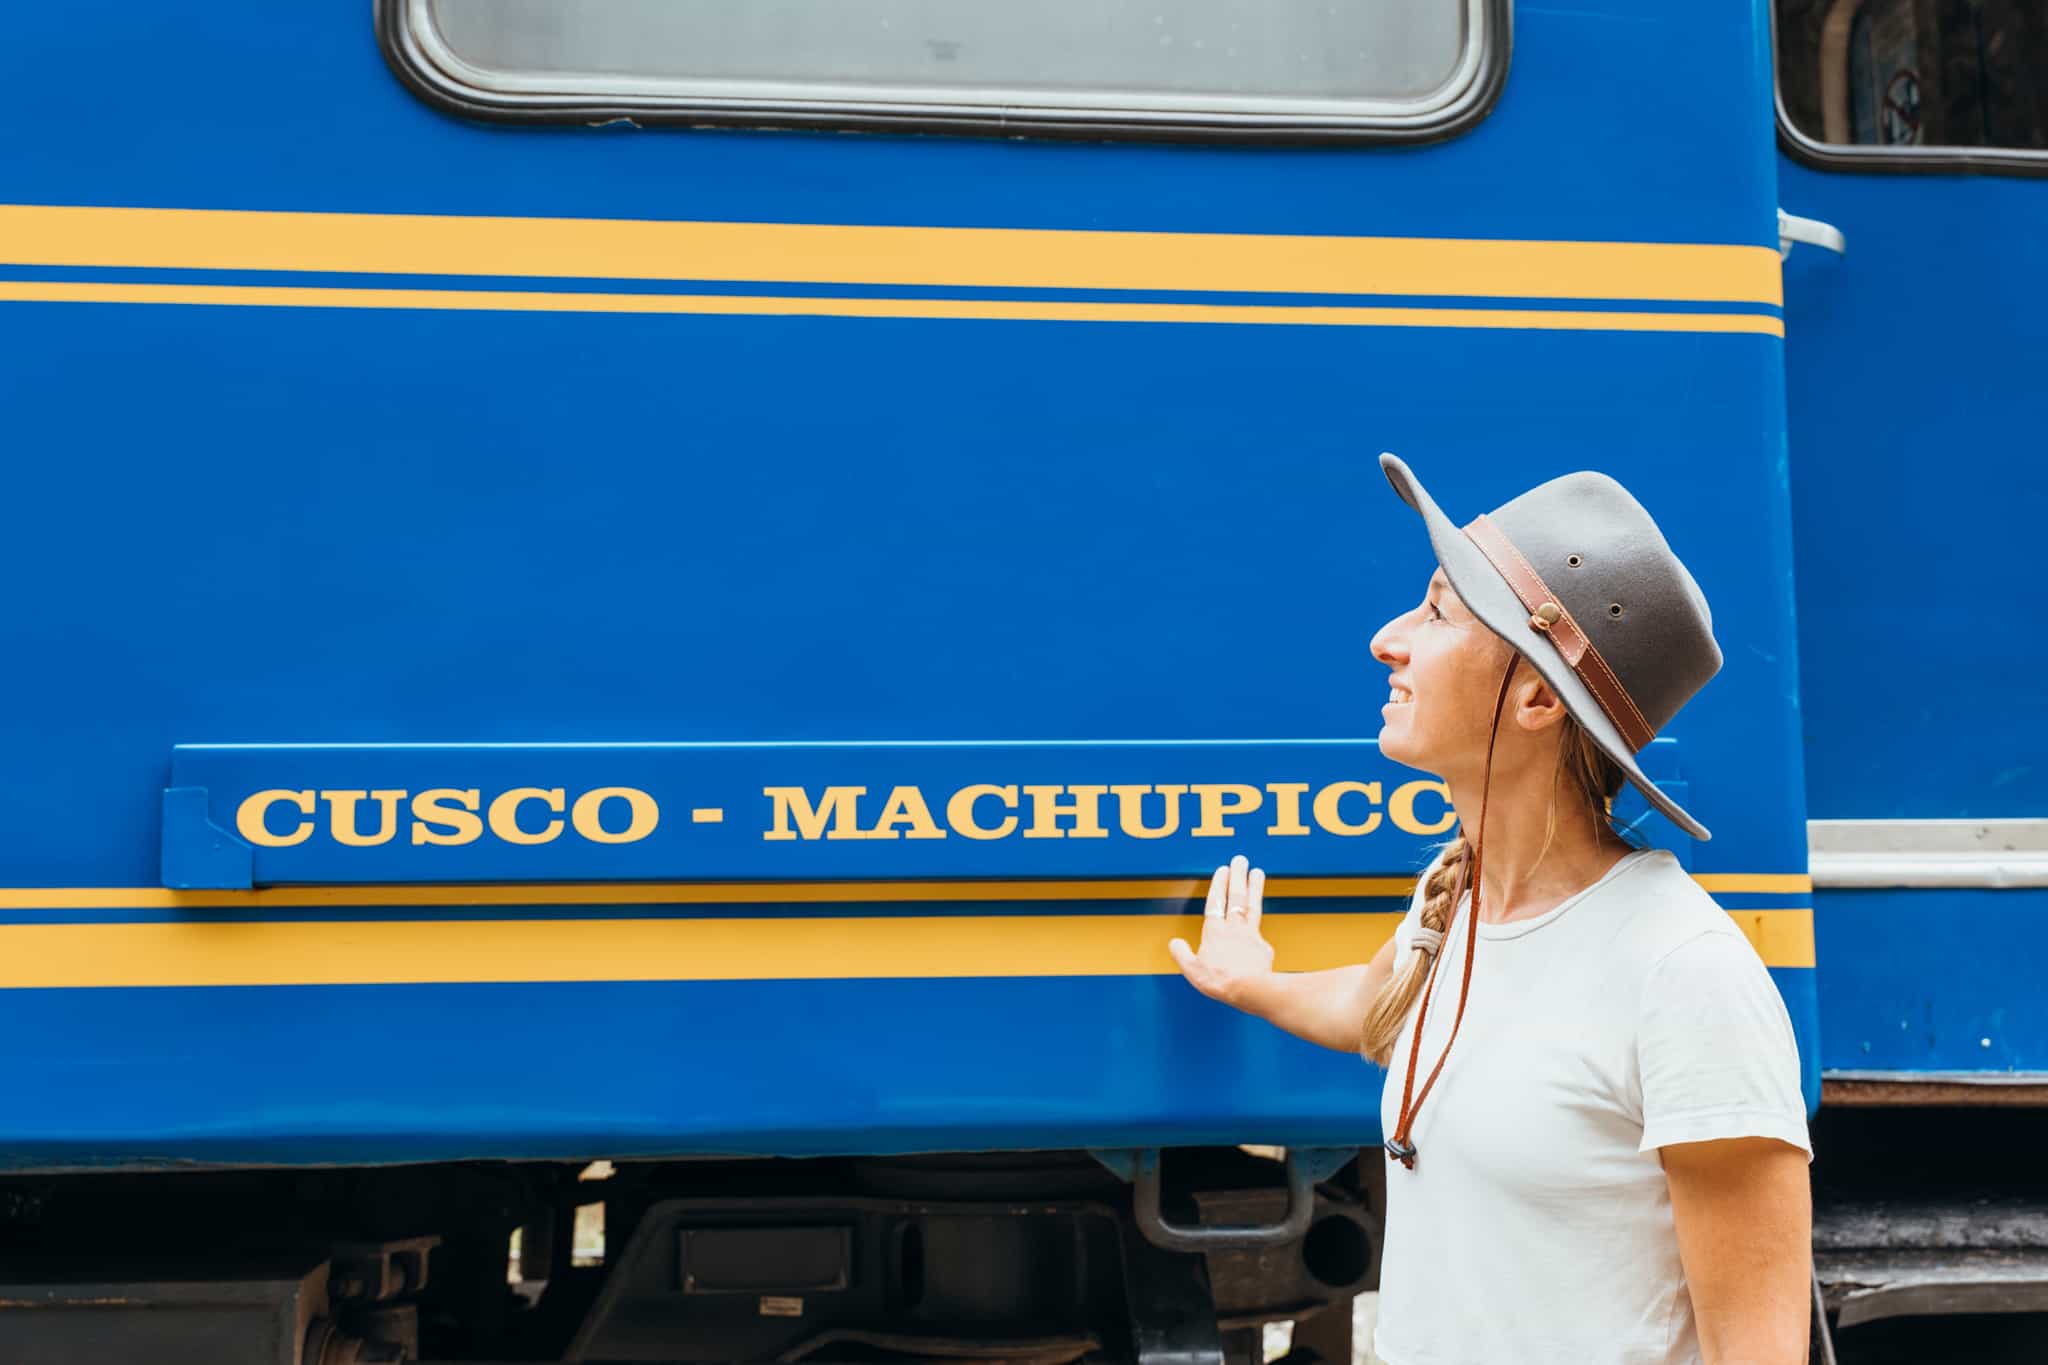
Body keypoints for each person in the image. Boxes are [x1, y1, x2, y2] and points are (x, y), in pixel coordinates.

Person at [1169, 454, 1812, 1365]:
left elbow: (1758, 1349)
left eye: (1436, 612)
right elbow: (1378, 1008)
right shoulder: (1462, 908)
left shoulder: (1683, 974)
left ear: (1540, 696)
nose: (1387, 639)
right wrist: (1253, 983)